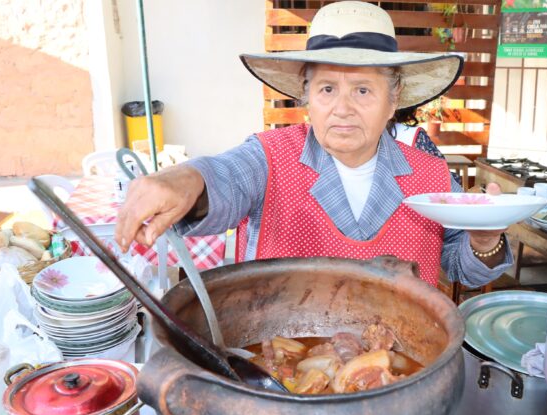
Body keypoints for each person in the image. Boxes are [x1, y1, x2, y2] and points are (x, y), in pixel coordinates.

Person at [116, 1, 511, 289]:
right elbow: (227, 177)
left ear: (394, 101)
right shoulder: (269, 157)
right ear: (306, 97)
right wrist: (187, 178)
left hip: (399, 375)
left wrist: (485, 241)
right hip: (282, 366)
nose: (342, 108)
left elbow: (465, 270)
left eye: (362, 89)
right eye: (326, 89)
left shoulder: (430, 173)